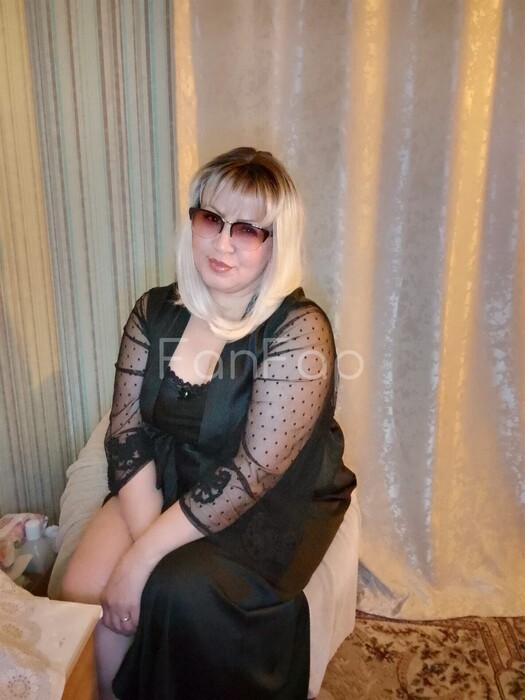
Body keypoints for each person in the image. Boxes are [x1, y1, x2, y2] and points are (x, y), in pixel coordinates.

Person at [60, 147, 357, 700]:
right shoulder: (154, 310)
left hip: (263, 496)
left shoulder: (299, 329)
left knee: (175, 593)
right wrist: (146, 542)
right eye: (211, 219)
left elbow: (254, 472)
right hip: (171, 470)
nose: (222, 243)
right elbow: (126, 431)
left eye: (247, 229)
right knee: (81, 590)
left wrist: (142, 560)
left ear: (277, 242)